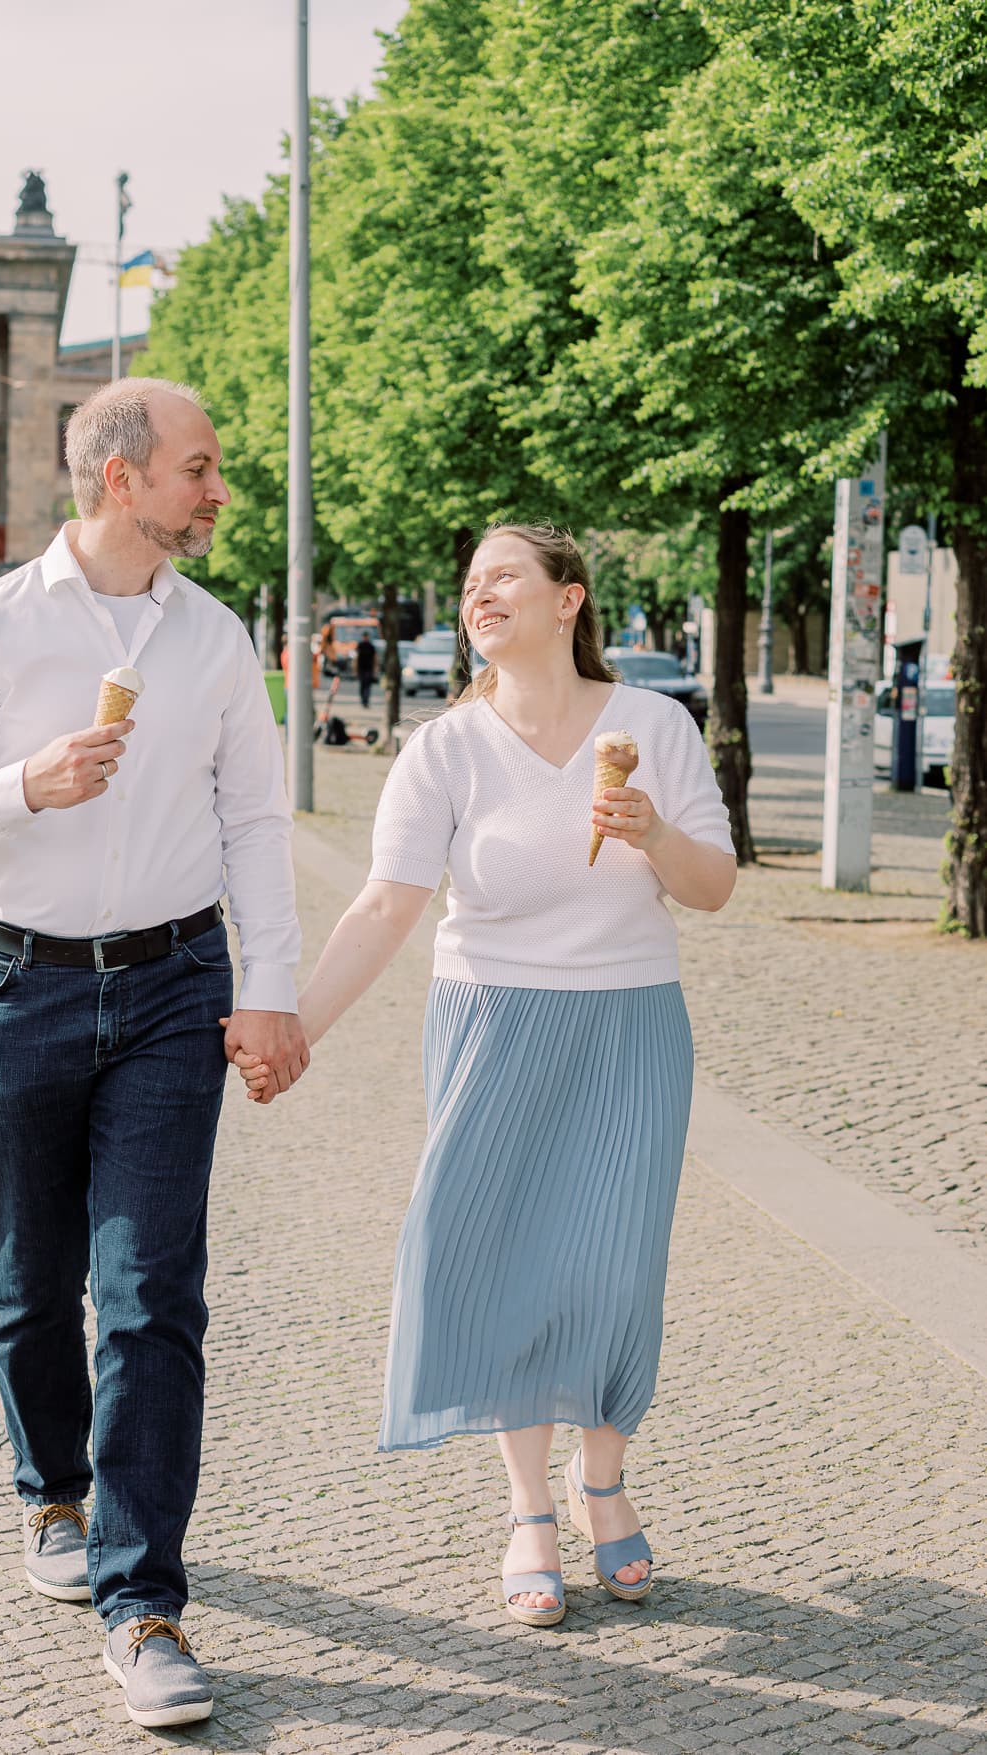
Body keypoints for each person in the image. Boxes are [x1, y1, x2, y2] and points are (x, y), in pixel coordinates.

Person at [0, 377, 308, 1726]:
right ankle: (51, 1492)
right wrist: (28, 784)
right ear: (120, 478)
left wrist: (273, 988)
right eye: (198, 464)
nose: (216, 487)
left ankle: (143, 1603)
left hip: (177, 987)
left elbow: (253, 818)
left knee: (149, 1291)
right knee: (31, 1277)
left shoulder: (215, 637)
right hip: (17, 984)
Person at [235, 522, 736, 1627]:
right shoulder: (444, 747)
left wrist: (652, 830)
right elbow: (382, 906)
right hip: (492, 1022)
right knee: (502, 1260)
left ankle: (601, 1482)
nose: (479, 593)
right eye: (470, 583)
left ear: (569, 600)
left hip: (629, 1025)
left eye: (504, 574)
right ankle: (528, 1510)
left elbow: (713, 889)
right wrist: (294, 1032)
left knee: (611, 1269)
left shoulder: (654, 726)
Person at [355, 632, 377, 709]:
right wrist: (355, 669)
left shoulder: (371, 646)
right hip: (361, 668)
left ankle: (366, 700)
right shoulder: (360, 645)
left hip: (369, 668)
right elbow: (356, 658)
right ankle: (363, 699)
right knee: (362, 685)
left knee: (367, 685)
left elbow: (375, 659)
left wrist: (375, 670)